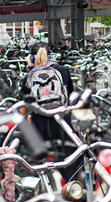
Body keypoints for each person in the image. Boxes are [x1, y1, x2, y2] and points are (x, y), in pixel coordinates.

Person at [19, 41, 78, 181]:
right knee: (69, 157)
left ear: (31, 58)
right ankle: (72, 189)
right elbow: (69, 94)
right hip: (63, 121)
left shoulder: (29, 76)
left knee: (41, 161)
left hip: (39, 123)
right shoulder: (63, 70)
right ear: (50, 56)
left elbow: (23, 103)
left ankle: (46, 189)